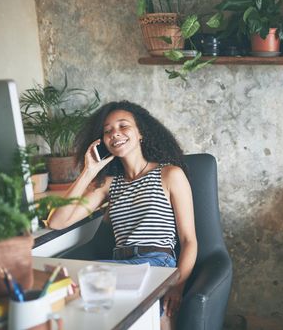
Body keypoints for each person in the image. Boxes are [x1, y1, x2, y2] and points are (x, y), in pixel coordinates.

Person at [47, 100, 197, 327]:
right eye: (107, 131)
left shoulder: (169, 174)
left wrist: (177, 287)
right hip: (120, 267)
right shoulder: (109, 184)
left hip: (157, 263)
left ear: (141, 134)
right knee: (61, 289)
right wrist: (88, 172)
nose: (115, 134)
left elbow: (189, 241)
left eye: (123, 126)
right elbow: (57, 222)